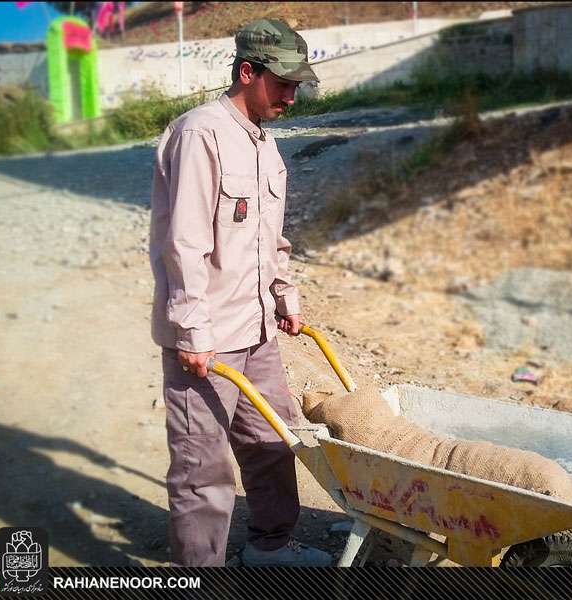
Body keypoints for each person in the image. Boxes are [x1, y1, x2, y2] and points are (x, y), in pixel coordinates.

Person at [148, 18, 331, 567]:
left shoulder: (263, 144)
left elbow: (270, 236)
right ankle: (198, 571)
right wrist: (192, 333)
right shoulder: (200, 133)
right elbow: (183, 244)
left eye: (298, 85)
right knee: (202, 468)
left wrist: (284, 296)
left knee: (275, 444)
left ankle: (270, 545)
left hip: (255, 331)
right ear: (247, 72)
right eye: (283, 84)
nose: (292, 97)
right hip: (205, 339)